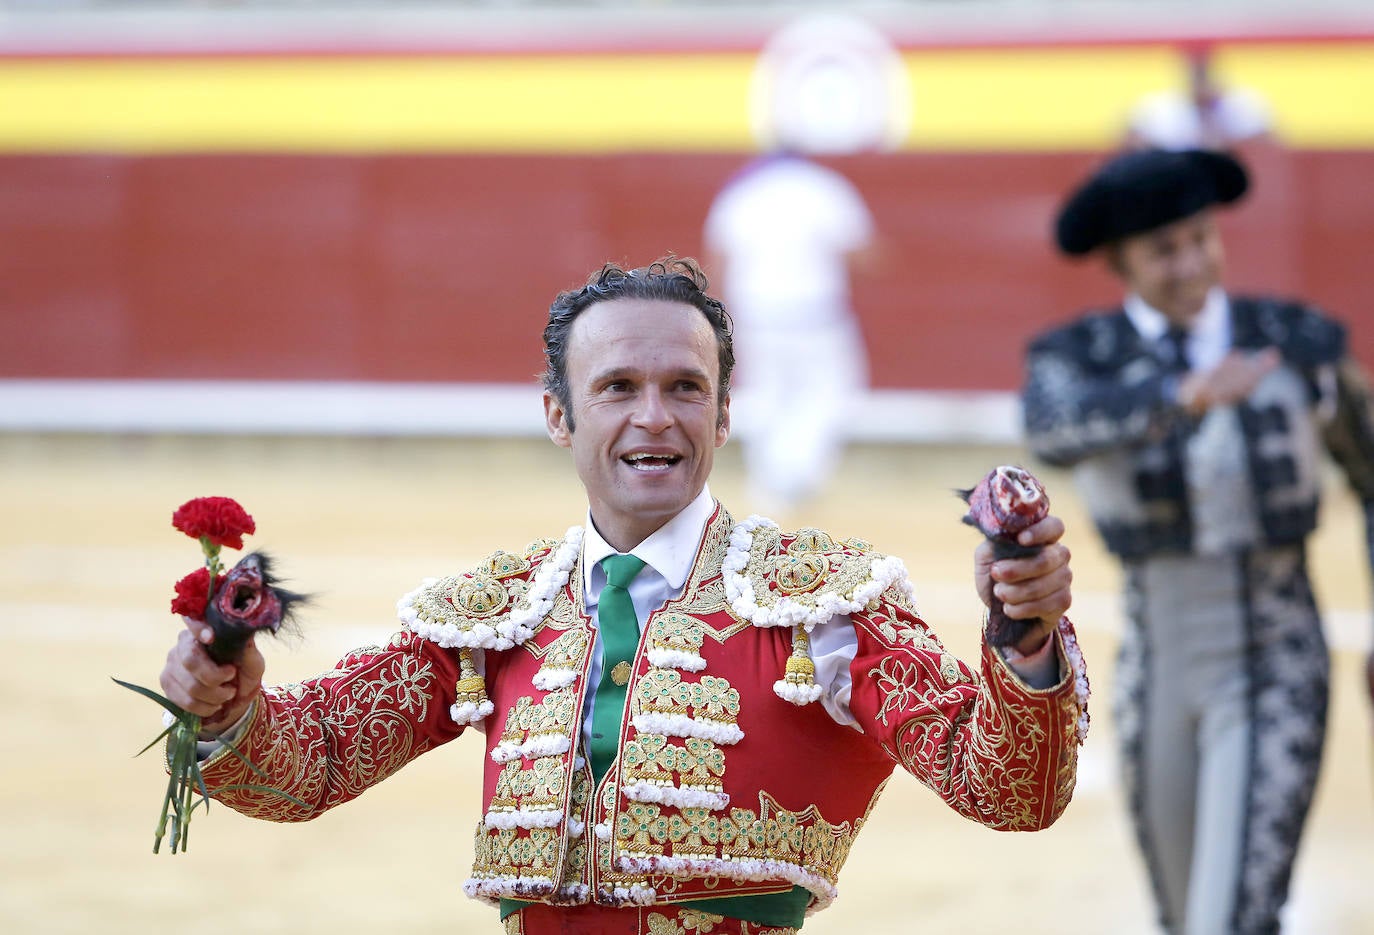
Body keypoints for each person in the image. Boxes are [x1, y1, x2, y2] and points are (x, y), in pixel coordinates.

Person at [162, 258, 1089, 935]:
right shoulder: (499, 609)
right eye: (618, 388)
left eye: (685, 387)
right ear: (560, 414)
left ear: (723, 413)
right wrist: (223, 707)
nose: (655, 417)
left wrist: (1024, 634)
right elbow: (307, 762)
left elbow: (1006, 788)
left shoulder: (823, 602)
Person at [1022, 149, 1374, 934]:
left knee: (1233, 920)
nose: (1190, 264)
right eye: (1163, 250)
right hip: (1155, 671)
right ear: (1120, 262)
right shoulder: (1076, 358)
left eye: (1200, 239)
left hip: (1276, 657)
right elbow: (1051, 426)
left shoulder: (1297, 340)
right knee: (1185, 918)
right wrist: (1183, 394)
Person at [703, 153, 874, 515]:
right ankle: (794, 477)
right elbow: (862, 251)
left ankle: (769, 482)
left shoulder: (744, 192)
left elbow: (718, 257)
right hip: (816, 314)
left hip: (756, 313)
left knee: (766, 395)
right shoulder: (824, 187)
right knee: (830, 392)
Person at [1124, 45, 1273, 153]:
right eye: (1196, 74)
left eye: (1205, 73)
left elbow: (1264, 142)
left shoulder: (1242, 102)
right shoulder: (1158, 105)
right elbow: (1133, 138)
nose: (1200, 82)